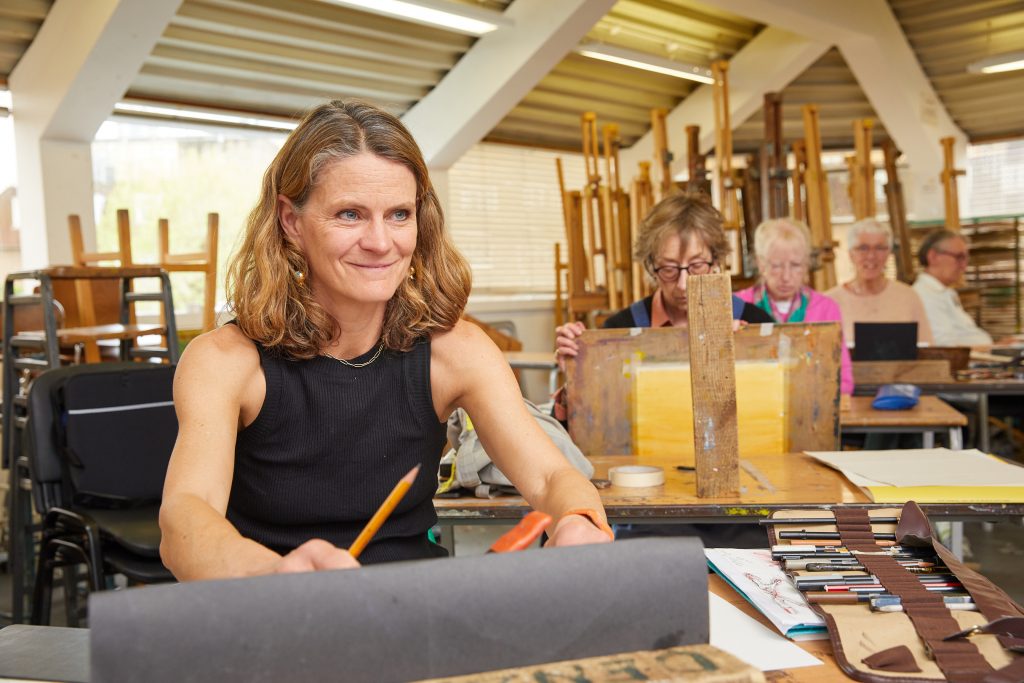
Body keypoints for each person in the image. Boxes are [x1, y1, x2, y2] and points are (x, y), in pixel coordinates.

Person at [159, 100, 612, 581]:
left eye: (399, 214)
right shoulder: (225, 361)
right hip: (276, 616)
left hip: (417, 617)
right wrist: (275, 575)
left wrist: (578, 520)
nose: (380, 242)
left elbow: (550, 476)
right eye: (350, 214)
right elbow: (185, 517)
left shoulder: (456, 352)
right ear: (291, 221)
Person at [555, 193, 772, 373]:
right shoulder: (619, 330)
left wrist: (748, 350)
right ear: (651, 265)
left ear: (715, 261)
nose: (683, 284)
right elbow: (589, 415)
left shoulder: (756, 324)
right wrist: (577, 375)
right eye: (668, 269)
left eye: (696, 266)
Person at [734, 218, 854, 395]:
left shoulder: (826, 308)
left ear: (806, 265)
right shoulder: (739, 305)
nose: (786, 276)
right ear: (761, 264)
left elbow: (843, 380)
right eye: (776, 266)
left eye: (796, 265)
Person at [825, 219, 933, 347]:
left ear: (889, 253)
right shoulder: (828, 302)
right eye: (863, 248)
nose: (871, 256)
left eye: (880, 248)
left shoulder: (908, 297)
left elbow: (927, 351)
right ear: (850, 254)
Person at [913, 230, 993, 347]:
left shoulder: (946, 293)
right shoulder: (924, 295)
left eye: (966, 258)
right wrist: (995, 348)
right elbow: (946, 349)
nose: (964, 266)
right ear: (933, 257)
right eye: (959, 257)